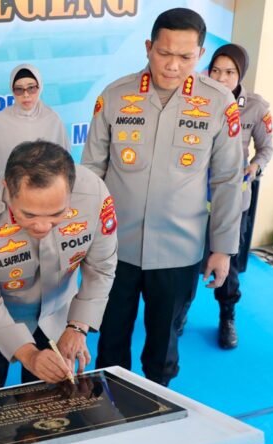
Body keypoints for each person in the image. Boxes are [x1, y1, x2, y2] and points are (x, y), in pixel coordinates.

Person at [82, 8, 243, 386]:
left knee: (164, 347)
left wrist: (222, 248)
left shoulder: (219, 103)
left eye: (185, 57)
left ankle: (158, 409)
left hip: (179, 250)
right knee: (110, 343)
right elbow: (90, 172)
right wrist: (85, 239)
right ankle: (108, 409)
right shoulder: (115, 96)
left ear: (200, 55)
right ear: (148, 47)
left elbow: (227, 180)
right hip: (115, 248)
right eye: (164, 53)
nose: (172, 66)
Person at [0, 140, 118, 394]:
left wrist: (77, 327)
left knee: (49, 404)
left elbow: (101, 267)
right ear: (7, 188)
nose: (42, 226)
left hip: (56, 313)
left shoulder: (96, 195)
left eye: (56, 215)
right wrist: (29, 355)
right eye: (28, 215)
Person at [204, 44, 273, 348]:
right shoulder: (195, 99)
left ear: (240, 74)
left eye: (229, 72)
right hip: (193, 200)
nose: (221, 78)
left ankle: (227, 315)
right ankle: (176, 318)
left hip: (233, 201)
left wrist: (255, 167)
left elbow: (267, 148)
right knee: (184, 264)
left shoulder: (256, 106)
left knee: (226, 263)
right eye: (216, 70)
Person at [0, 63, 70, 180]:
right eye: (19, 89)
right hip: (9, 188)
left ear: (40, 87)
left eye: (31, 88)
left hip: (45, 188)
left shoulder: (53, 119)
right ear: (12, 90)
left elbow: (61, 159)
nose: (26, 95)